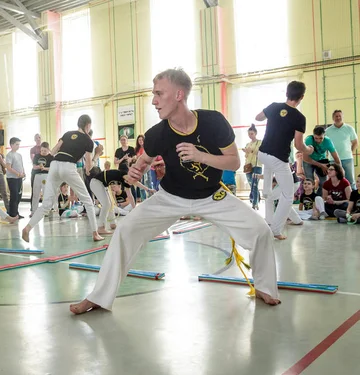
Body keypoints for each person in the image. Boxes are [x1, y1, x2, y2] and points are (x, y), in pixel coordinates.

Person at [69, 69, 281, 316]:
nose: (153, 100)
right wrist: (137, 170)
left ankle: (265, 287)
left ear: (179, 94)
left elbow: (234, 162)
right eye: (153, 94)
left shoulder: (213, 122)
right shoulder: (157, 133)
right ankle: (99, 297)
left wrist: (199, 155)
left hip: (211, 196)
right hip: (169, 198)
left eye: (159, 94)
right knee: (125, 231)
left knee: (260, 231)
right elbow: (144, 160)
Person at [22, 115, 103, 242]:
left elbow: (53, 151)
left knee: (47, 204)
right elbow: (88, 168)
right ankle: (95, 233)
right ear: (88, 125)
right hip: (68, 167)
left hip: (54, 165)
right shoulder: (89, 141)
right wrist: (97, 154)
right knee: (88, 201)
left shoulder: (67, 134)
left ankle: (27, 228)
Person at [255, 81, 314, 240]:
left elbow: (258, 117)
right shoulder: (299, 117)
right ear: (301, 97)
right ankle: (275, 230)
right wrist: (309, 150)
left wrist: (271, 114)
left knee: (268, 167)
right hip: (278, 158)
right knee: (288, 195)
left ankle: (267, 191)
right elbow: (298, 144)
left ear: (287, 93)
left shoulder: (274, 106)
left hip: (262, 153)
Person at [325, 110, 358, 189]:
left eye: (340, 116)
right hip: (333, 160)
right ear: (333, 118)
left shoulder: (349, 128)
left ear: (342, 117)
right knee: (333, 180)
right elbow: (324, 144)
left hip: (347, 159)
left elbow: (355, 142)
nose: (338, 118)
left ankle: (354, 199)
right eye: (336, 116)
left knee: (350, 180)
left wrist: (350, 153)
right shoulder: (327, 131)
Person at [302, 126, 340, 192]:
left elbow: (336, 158)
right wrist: (320, 165)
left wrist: (340, 171)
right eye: (316, 138)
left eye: (321, 138)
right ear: (313, 135)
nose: (318, 141)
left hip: (321, 160)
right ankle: (311, 198)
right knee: (309, 181)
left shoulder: (327, 141)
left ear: (324, 136)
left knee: (323, 182)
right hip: (308, 160)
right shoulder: (308, 140)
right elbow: (305, 158)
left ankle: (319, 198)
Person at [242, 124, 262, 210]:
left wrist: (252, 150)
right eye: (249, 134)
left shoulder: (260, 142)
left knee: (254, 184)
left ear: (255, 133)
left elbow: (261, 153)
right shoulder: (248, 144)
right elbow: (246, 156)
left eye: (252, 134)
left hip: (257, 165)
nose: (250, 135)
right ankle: (257, 198)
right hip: (248, 166)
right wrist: (246, 152)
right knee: (251, 184)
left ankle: (254, 203)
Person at [30, 142, 54, 215]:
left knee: (45, 193)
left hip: (46, 176)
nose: (43, 152)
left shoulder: (51, 157)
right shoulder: (37, 156)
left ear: (48, 150)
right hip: (37, 175)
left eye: (45, 151)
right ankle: (34, 211)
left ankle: (46, 210)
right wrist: (39, 167)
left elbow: (52, 168)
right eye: (42, 150)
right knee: (35, 193)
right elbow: (34, 166)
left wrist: (44, 168)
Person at [5, 137, 26, 218]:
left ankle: (16, 212)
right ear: (11, 145)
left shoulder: (19, 155)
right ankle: (12, 214)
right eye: (16, 144)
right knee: (14, 196)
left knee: (19, 196)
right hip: (12, 178)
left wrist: (23, 173)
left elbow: (21, 165)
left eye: (19, 144)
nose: (18, 146)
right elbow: (9, 168)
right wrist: (17, 174)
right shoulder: (9, 155)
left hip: (19, 178)